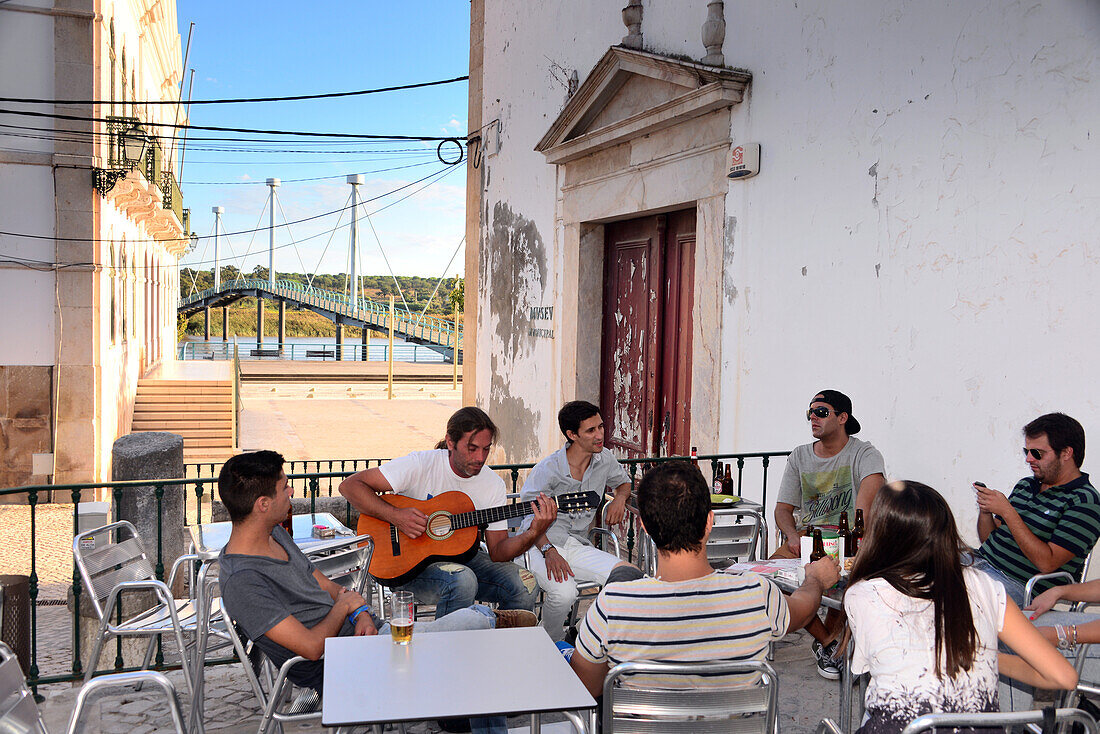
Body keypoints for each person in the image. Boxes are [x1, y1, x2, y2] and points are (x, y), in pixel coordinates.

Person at [216, 450, 536, 734]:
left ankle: (483, 623)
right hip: (341, 666)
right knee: (477, 646)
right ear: (262, 504)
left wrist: (359, 612)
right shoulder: (243, 582)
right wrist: (345, 607)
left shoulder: (274, 535)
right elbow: (312, 648)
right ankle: (486, 620)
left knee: (475, 656)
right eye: (284, 487)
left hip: (367, 638)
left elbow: (325, 585)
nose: (292, 491)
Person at [567, 460, 842, 695]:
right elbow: (805, 610)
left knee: (623, 576)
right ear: (710, 521)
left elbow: (587, 688)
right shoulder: (756, 593)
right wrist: (815, 578)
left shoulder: (611, 606)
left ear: (644, 527)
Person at [845, 480, 1077, 733]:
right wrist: (981, 656)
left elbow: (879, 666)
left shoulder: (863, 594)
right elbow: (1064, 677)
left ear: (879, 533)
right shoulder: (986, 586)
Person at [339, 406, 552, 618]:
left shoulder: (492, 485)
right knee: (463, 580)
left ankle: (502, 647)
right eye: (472, 448)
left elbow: (497, 552)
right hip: (406, 566)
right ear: (450, 442)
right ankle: (447, 649)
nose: (480, 457)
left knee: (526, 584)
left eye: (486, 449)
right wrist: (396, 516)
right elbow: (350, 486)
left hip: (465, 559)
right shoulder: (421, 464)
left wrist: (533, 532)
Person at [773, 389, 886, 678]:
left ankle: (832, 645)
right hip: (807, 538)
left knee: (847, 581)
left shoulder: (864, 453)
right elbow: (782, 510)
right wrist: (791, 535)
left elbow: (866, 506)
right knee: (775, 578)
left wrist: (852, 542)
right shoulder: (799, 456)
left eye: (821, 411)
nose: (813, 416)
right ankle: (830, 643)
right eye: (809, 412)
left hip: (847, 538)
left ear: (842, 417)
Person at [519, 400, 639, 641]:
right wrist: (548, 550)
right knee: (564, 594)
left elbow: (623, 482)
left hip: (577, 545)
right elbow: (528, 517)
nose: (600, 435)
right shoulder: (548, 470)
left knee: (630, 578)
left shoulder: (604, 458)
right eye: (591, 430)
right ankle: (550, 643)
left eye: (601, 427)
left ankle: (585, 636)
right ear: (572, 434)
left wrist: (619, 498)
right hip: (537, 543)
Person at [974, 412, 1100, 607]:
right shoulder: (1026, 485)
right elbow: (989, 539)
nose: (1029, 459)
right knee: (918, 566)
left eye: (1037, 453)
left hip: (1017, 587)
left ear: (1066, 453)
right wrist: (985, 510)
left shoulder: (1085, 501)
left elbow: (1047, 563)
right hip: (980, 565)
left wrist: (1008, 512)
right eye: (1027, 452)